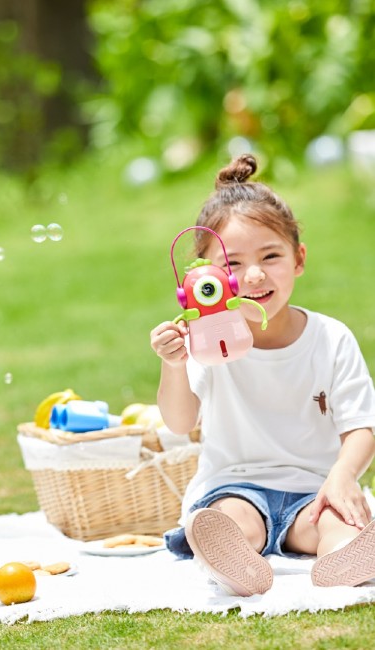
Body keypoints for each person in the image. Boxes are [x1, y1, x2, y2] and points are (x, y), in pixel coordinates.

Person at [150, 153, 375, 596]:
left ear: (299, 259)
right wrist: (173, 366)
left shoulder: (330, 338)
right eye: (232, 265)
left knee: (333, 523)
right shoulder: (204, 340)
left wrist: (343, 476)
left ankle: (346, 555)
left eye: (271, 255)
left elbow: (361, 426)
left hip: (315, 489)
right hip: (233, 486)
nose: (254, 275)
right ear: (204, 277)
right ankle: (232, 559)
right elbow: (179, 423)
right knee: (235, 519)